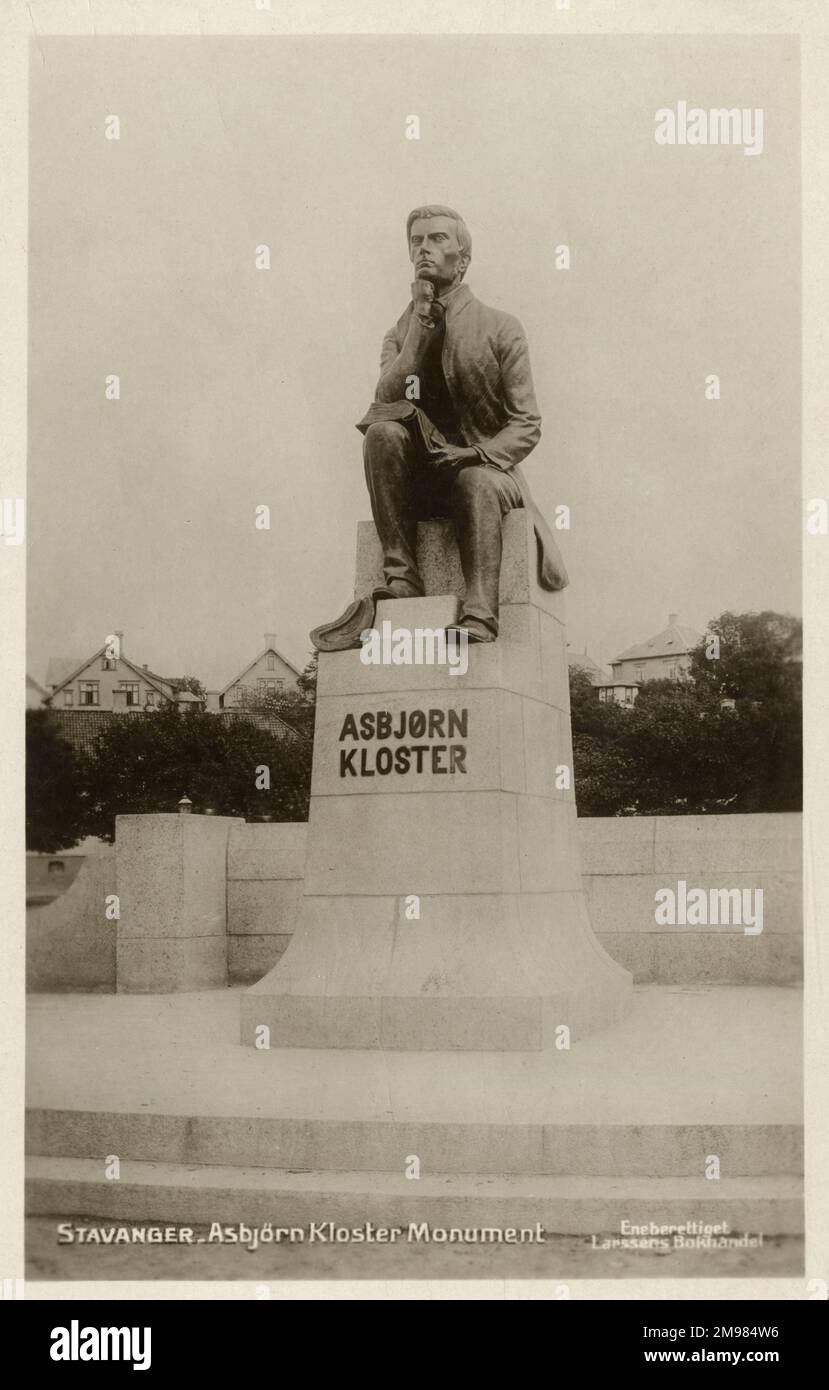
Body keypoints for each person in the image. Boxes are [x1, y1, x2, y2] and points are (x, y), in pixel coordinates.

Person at [311, 205, 567, 652]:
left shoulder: (500, 327)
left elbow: (527, 423)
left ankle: (481, 616)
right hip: (426, 480)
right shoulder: (399, 332)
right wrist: (418, 332)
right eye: (416, 241)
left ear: (463, 258)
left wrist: (475, 454)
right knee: (382, 433)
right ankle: (401, 579)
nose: (423, 249)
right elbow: (386, 401)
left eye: (437, 239)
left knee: (474, 481)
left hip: (487, 474)